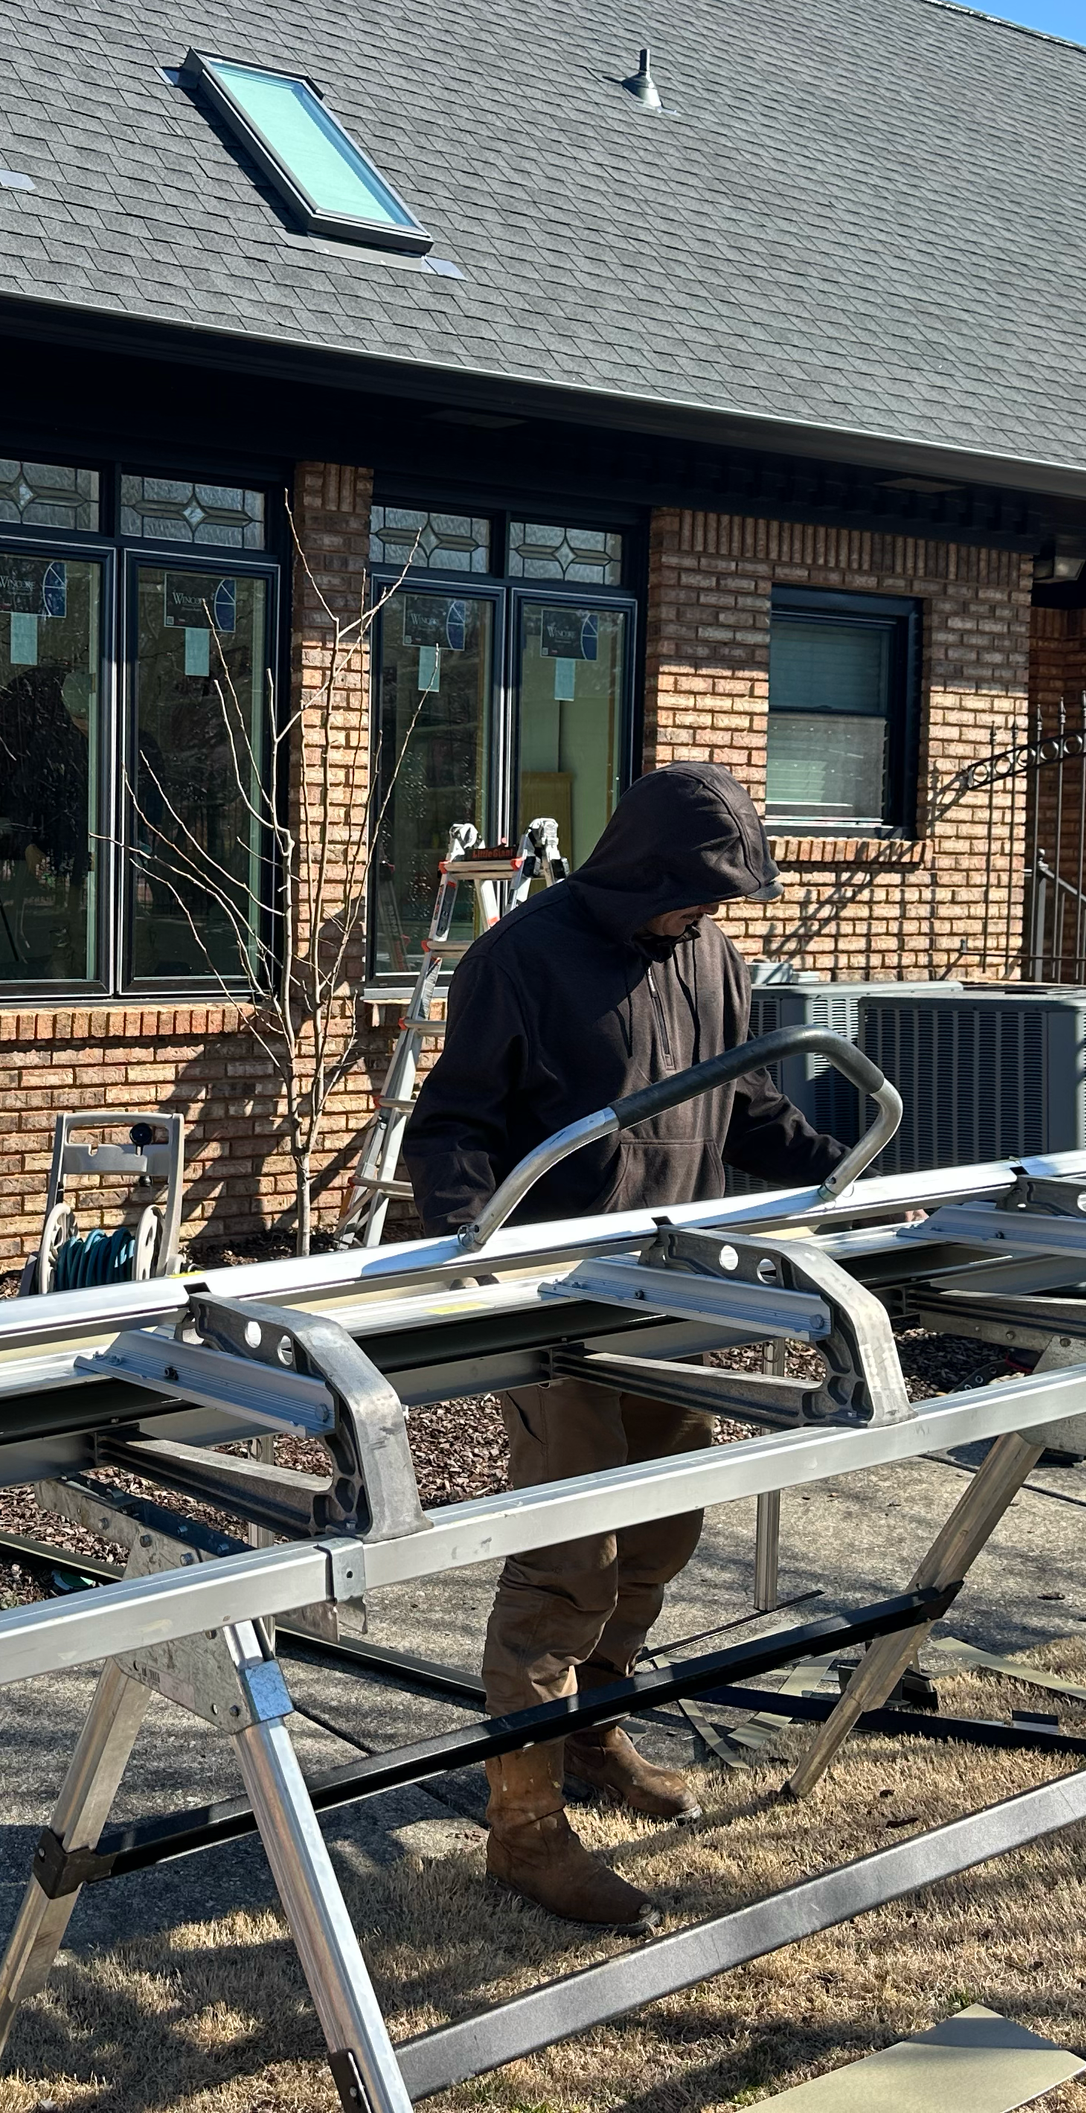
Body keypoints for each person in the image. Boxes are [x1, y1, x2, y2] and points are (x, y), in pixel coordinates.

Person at [403, 761, 846, 1928]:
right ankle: (525, 1828)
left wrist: (842, 1168)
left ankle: (594, 1729)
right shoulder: (523, 958)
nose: (708, 917)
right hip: (559, 1311)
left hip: (678, 1294)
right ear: (644, 870)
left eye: (723, 901)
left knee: (660, 1531)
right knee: (569, 1560)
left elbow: (741, 1107)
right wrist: (466, 1248)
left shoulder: (707, 954)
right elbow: (454, 1123)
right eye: (696, 894)